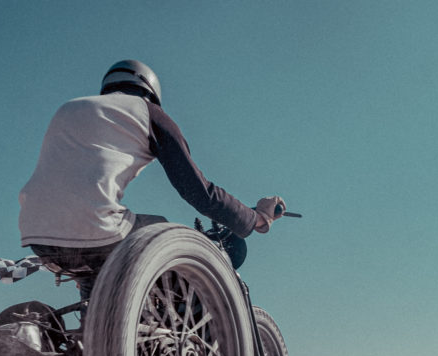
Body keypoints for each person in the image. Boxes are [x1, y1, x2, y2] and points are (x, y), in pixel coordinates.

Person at [18, 59, 284, 297]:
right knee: (162, 230)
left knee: (101, 271)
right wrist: (256, 219)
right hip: (95, 227)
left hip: (36, 234)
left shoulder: (71, 108)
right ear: (150, 91)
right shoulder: (147, 111)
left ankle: (93, 335)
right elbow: (199, 192)